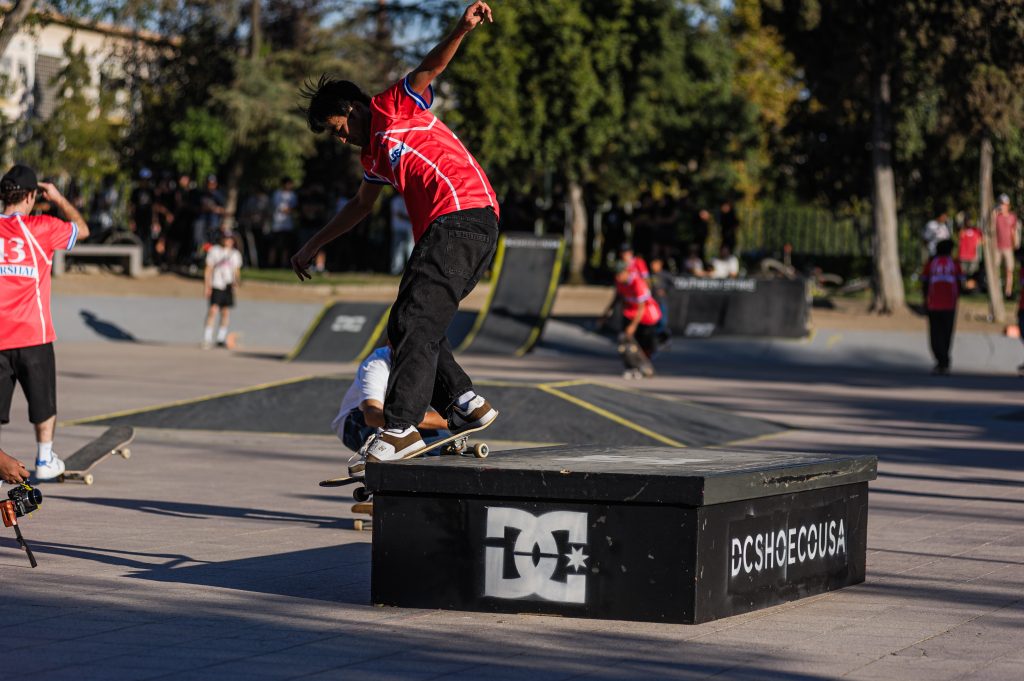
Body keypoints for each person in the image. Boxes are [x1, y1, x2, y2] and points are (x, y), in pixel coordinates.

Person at [292, 1, 499, 469]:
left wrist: (461, 29)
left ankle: (401, 428)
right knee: (414, 321)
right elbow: (360, 206)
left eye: (339, 128)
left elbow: (431, 67)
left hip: (460, 214)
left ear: (352, 108)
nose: (341, 139)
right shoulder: (373, 158)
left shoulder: (392, 106)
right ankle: (466, 402)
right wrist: (312, 245)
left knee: (412, 319)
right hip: (462, 230)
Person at [0, 164, 89, 480]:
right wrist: (59, 198)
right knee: (43, 401)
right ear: (30, 196)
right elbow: (82, 230)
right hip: (32, 334)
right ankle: (45, 457)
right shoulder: (43, 227)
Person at [331, 344, 452, 462]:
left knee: (444, 443)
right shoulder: (377, 363)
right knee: (427, 443)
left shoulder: (433, 361)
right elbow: (371, 415)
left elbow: (449, 412)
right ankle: (379, 459)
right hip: (356, 421)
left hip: (403, 419)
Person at [921, 239, 963, 376]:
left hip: (934, 304)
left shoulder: (931, 263)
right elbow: (960, 282)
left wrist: (925, 299)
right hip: (949, 305)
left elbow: (925, 283)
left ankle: (941, 361)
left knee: (935, 334)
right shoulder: (954, 264)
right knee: (946, 334)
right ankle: (943, 361)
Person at [614, 259, 662, 377]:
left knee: (643, 344)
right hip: (631, 313)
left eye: (620, 274)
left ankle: (645, 367)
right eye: (617, 274)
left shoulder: (637, 283)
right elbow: (620, 298)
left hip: (646, 316)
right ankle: (632, 367)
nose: (618, 277)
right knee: (624, 341)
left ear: (627, 272)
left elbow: (642, 307)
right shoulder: (619, 282)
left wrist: (633, 326)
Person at [202, 232, 243, 349]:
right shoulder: (215, 251)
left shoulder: (235, 254)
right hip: (216, 284)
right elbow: (208, 269)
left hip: (228, 286)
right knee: (213, 310)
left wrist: (236, 283)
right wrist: (207, 286)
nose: (228, 241)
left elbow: (236, 270)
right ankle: (207, 338)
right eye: (226, 238)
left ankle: (221, 338)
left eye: (230, 239)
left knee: (225, 312)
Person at [992, 194, 1020, 299]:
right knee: (996, 269)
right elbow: (991, 227)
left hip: (1008, 247)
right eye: (1001, 203)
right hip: (997, 247)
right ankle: (996, 290)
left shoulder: (1012, 217)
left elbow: (1013, 231)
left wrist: (1015, 243)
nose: (1002, 206)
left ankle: (1008, 292)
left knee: (1009, 270)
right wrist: (994, 213)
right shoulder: (996, 216)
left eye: (1004, 204)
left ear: (1008, 205)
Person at [130, 168, 158, 265]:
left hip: (148, 218)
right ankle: (138, 259)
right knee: (138, 237)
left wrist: (155, 220)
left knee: (148, 238)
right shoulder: (136, 191)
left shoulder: (151, 191)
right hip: (138, 218)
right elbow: (132, 206)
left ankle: (147, 258)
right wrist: (131, 220)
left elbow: (154, 207)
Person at [268, 177, 298, 269]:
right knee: (274, 245)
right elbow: (281, 208)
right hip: (277, 224)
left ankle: (284, 264)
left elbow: (294, 208)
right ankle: (271, 264)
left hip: (288, 225)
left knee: (286, 246)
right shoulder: (277, 194)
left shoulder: (293, 195)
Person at [956, 215, 983, 291]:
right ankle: (963, 288)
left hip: (973, 256)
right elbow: (960, 236)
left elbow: (981, 241)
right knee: (963, 274)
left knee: (972, 274)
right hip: (963, 255)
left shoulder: (976, 231)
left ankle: (970, 288)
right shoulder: (962, 230)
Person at [389, 192, 414, 275]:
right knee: (397, 249)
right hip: (398, 228)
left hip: (409, 229)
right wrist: (412, 218)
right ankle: (396, 269)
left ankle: (410, 269)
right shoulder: (396, 200)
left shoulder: (411, 200)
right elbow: (399, 214)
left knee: (410, 248)